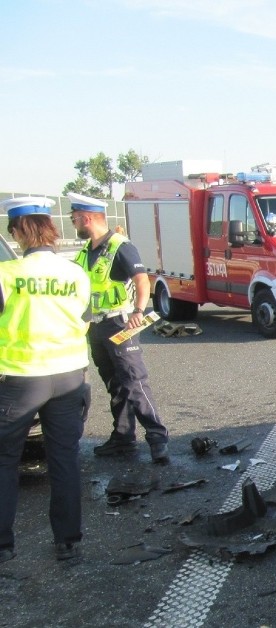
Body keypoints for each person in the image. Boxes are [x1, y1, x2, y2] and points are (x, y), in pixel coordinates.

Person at [0, 197, 92, 563]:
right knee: (64, 459)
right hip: (69, 376)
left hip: (21, 379)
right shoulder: (76, 274)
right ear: (51, 230)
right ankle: (68, 542)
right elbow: (84, 317)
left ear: (20, 231)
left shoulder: (7, 274)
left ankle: (4, 546)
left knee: (6, 460)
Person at [67, 192, 170, 464]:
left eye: (74, 218)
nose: (73, 222)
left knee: (134, 381)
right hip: (96, 326)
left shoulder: (120, 246)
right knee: (114, 384)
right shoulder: (85, 251)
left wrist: (138, 311)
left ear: (86, 218)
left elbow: (142, 280)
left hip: (120, 324)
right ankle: (123, 438)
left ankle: (157, 437)